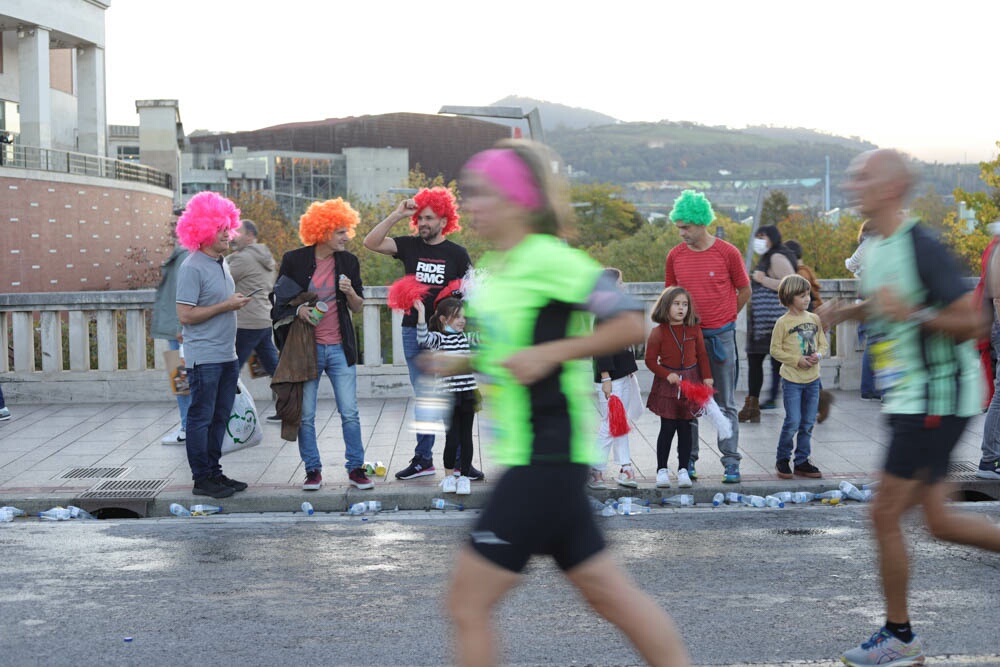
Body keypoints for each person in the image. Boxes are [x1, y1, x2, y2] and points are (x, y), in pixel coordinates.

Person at [425, 140, 689, 667]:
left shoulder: (550, 258)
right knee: (609, 596)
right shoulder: (502, 266)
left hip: (544, 457)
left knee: (466, 602)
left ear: (518, 199)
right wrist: (459, 363)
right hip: (541, 457)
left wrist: (552, 353)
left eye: (482, 194)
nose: (471, 204)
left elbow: (631, 321)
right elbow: (510, 351)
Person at [819, 149, 1000, 666]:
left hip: (935, 398)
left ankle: (899, 636)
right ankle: (899, 636)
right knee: (939, 523)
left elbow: (973, 324)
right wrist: (848, 311)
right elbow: (885, 302)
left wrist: (914, 313)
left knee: (882, 515)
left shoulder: (922, 246)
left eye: (863, 176)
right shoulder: (876, 244)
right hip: (910, 398)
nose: (852, 183)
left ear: (891, 189)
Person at [363, 187, 474, 481]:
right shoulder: (409, 246)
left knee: (455, 398)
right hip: (414, 332)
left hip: (447, 338)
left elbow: (468, 295)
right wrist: (397, 214)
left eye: (428, 218)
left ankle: (462, 460)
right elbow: (370, 242)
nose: (422, 223)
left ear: (444, 219)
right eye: (419, 218)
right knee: (425, 398)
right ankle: (424, 459)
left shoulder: (457, 254)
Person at [271, 198, 370, 491]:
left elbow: (358, 307)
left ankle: (356, 468)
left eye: (346, 230)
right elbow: (278, 302)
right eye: (340, 231)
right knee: (307, 415)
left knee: (349, 412)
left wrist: (350, 291)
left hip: (340, 348)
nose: (346, 237)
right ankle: (312, 470)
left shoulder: (349, 262)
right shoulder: (294, 259)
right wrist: (297, 311)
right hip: (307, 350)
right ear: (323, 230)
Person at [664, 189, 750, 484]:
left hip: (721, 337)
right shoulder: (674, 256)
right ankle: (689, 461)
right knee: (690, 403)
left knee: (725, 402)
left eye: (685, 227)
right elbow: (669, 297)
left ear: (701, 222)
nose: (681, 233)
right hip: (687, 341)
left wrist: (728, 317)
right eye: (679, 227)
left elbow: (745, 289)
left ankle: (731, 462)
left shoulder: (728, 253)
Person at [174, 192, 251, 499]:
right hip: (203, 358)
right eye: (219, 227)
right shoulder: (191, 267)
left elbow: (220, 303)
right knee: (201, 417)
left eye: (228, 226)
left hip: (226, 355)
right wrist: (226, 306)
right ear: (202, 230)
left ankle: (215, 472)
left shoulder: (221, 263)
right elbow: (185, 315)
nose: (227, 232)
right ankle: (201, 478)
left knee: (220, 417)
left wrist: (234, 304)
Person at [645, 285, 712, 489]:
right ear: (666, 307)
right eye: (676, 304)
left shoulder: (694, 330)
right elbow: (649, 361)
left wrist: (707, 378)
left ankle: (684, 469)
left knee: (686, 428)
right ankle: (662, 470)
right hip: (668, 384)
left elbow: (702, 355)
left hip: (690, 381)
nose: (681, 308)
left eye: (684, 304)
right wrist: (667, 375)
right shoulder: (658, 332)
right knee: (667, 428)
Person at [415, 296, 480, 495]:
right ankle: (449, 476)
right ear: (443, 319)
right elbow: (422, 338)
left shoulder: (466, 338)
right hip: (449, 397)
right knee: (452, 438)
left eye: (464, 317)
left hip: (468, 394)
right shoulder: (439, 339)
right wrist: (420, 314)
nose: (462, 320)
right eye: (457, 317)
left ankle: (465, 477)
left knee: (466, 437)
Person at [770, 274, 827, 479]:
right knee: (793, 420)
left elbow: (823, 344)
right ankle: (782, 458)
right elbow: (775, 350)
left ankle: (802, 460)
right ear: (789, 297)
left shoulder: (814, 319)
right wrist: (797, 360)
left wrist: (817, 356)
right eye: (802, 296)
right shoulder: (782, 323)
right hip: (792, 380)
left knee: (808, 422)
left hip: (813, 380)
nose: (807, 299)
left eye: (807, 295)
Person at [590, 267, 643, 490]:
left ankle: (625, 466)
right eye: (620, 282)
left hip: (622, 374)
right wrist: (606, 378)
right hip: (611, 378)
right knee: (611, 424)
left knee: (620, 423)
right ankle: (597, 468)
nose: (623, 285)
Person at [742, 225, 796, 421]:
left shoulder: (776, 257)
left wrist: (763, 280)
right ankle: (754, 404)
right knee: (760, 362)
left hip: (773, 321)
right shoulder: (768, 257)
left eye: (762, 236)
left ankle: (765, 401)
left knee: (776, 363)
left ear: (772, 237)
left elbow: (791, 284)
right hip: (762, 323)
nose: (759, 240)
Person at [785, 239, 835, 423]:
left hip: (807, 326)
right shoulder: (803, 270)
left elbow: (806, 300)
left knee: (807, 364)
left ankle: (819, 400)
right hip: (811, 324)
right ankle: (815, 402)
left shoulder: (799, 274)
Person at [151, 221, 191, 445]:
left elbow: (182, 294)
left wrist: (179, 327)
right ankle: (188, 425)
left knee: (182, 380)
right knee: (183, 379)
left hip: (179, 331)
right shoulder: (186, 255)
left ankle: (187, 427)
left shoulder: (184, 256)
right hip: (179, 328)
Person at [226, 219, 279, 378]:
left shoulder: (244, 258)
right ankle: (294, 397)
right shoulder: (265, 256)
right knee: (275, 369)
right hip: (263, 319)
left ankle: (223, 402)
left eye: (236, 232)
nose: (231, 237)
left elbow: (220, 281)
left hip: (246, 322)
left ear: (249, 236)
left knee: (230, 370)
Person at [846, 219, 881, 401]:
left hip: (866, 296)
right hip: (874, 298)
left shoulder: (866, 245)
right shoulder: (875, 243)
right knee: (875, 342)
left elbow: (851, 265)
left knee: (873, 342)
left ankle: (869, 387)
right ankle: (869, 388)